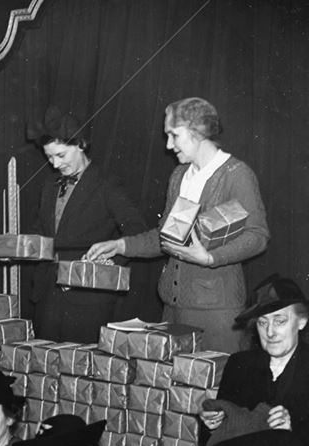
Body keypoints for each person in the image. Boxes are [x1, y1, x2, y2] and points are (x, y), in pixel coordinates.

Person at [87, 97, 269, 353]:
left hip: (216, 315)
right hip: (172, 311)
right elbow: (167, 237)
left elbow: (258, 235)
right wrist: (120, 245)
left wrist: (210, 258)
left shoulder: (236, 174)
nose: (169, 145)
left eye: (174, 135)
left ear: (198, 132)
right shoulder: (179, 176)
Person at [25, 108, 147, 343]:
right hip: (46, 293)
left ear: (80, 144)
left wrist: (108, 262)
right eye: (49, 157)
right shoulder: (49, 184)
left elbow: (137, 230)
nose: (54, 164)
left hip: (88, 297)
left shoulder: (107, 184)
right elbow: (40, 231)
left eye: (60, 155)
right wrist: (18, 249)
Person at [201, 274, 309, 445]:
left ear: (302, 321)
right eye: (262, 323)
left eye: (279, 321)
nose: (270, 332)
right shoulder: (240, 364)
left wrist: (290, 432)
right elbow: (213, 438)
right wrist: (213, 426)